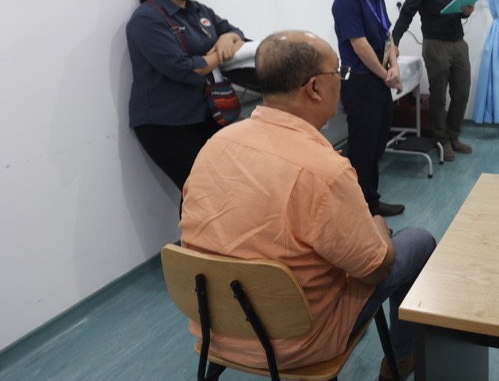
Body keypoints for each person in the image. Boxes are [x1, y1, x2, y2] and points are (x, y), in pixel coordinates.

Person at [179, 30, 436, 381]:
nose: (342, 81)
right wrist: (378, 228)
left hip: (215, 330)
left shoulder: (214, 145)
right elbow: (376, 269)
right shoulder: (324, 170)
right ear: (315, 88)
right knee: (418, 240)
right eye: (339, 72)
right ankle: (400, 361)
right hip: (299, 342)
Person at [126, 0, 245, 194]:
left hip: (205, 113)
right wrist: (217, 55)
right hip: (166, 122)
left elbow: (236, 33)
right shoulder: (147, 18)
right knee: (201, 190)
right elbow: (183, 69)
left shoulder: (197, 10)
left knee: (226, 186)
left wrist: (227, 38)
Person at [331, 0, 405, 217]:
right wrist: (386, 74)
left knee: (376, 145)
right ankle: (359, 213)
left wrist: (394, 66)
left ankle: (370, 202)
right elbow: (360, 46)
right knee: (362, 150)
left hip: (378, 78)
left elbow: (387, 34)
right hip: (361, 81)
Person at [392, 0, 475, 161]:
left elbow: (460, 13)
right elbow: (406, 15)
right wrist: (394, 42)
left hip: (459, 44)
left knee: (462, 93)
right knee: (438, 96)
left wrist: (467, 11)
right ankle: (442, 141)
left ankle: (454, 136)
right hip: (435, 46)